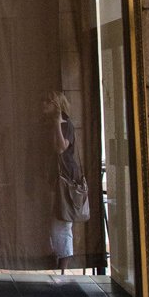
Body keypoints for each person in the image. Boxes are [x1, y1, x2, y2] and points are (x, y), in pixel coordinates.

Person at [43, 91, 89, 280]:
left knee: (62, 222)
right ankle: (58, 260)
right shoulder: (47, 125)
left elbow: (61, 148)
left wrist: (57, 123)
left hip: (67, 177)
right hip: (55, 178)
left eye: (47, 102)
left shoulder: (66, 124)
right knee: (55, 221)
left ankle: (63, 264)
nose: (43, 105)